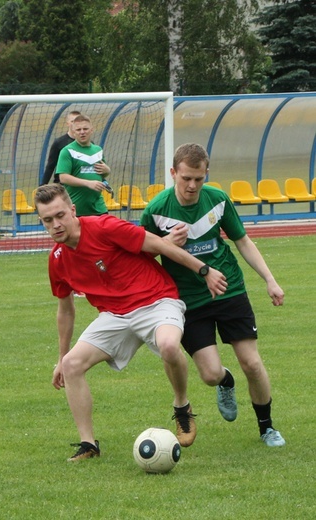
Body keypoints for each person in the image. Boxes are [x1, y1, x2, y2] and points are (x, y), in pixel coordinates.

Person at [34, 184, 228, 462]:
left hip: (157, 300)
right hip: (114, 316)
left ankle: (181, 406)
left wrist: (204, 270)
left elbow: (159, 244)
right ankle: (88, 445)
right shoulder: (57, 259)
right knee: (72, 365)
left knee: (170, 346)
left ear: (73, 210)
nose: (56, 224)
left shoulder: (104, 227)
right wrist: (61, 357)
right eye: (47, 220)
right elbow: (65, 310)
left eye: (60, 215)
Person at [140, 143, 285, 447]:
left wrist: (270, 280)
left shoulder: (217, 200)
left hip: (229, 289)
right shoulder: (156, 211)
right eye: (186, 179)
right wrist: (167, 242)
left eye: (199, 179)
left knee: (253, 363)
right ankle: (225, 381)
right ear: (173, 173)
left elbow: (242, 241)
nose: (192, 186)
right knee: (209, 374)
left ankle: (267, 428)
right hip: (189, 301)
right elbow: (143, 255)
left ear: (207, 174)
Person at [54, 114, 112, 217]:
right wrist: (88, 183)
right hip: (77, 209)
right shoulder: (67, 151)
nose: (82, 132)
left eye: (85, 129)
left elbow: (99, 174)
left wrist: (107, 171)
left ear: (91, 130)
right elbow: (63, 178)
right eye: (78, 129)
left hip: (99, 207)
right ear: (73, 132)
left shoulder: (98, 150)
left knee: (106, 232)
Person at [40, 110, 80, 186]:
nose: (75, 124)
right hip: (62, 187)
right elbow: (50, 166)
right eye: (72, 121)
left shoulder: (88, 143)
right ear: (67, 123)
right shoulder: (59, 142)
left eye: (77, 121)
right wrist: (42, 186)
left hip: (81, 187)